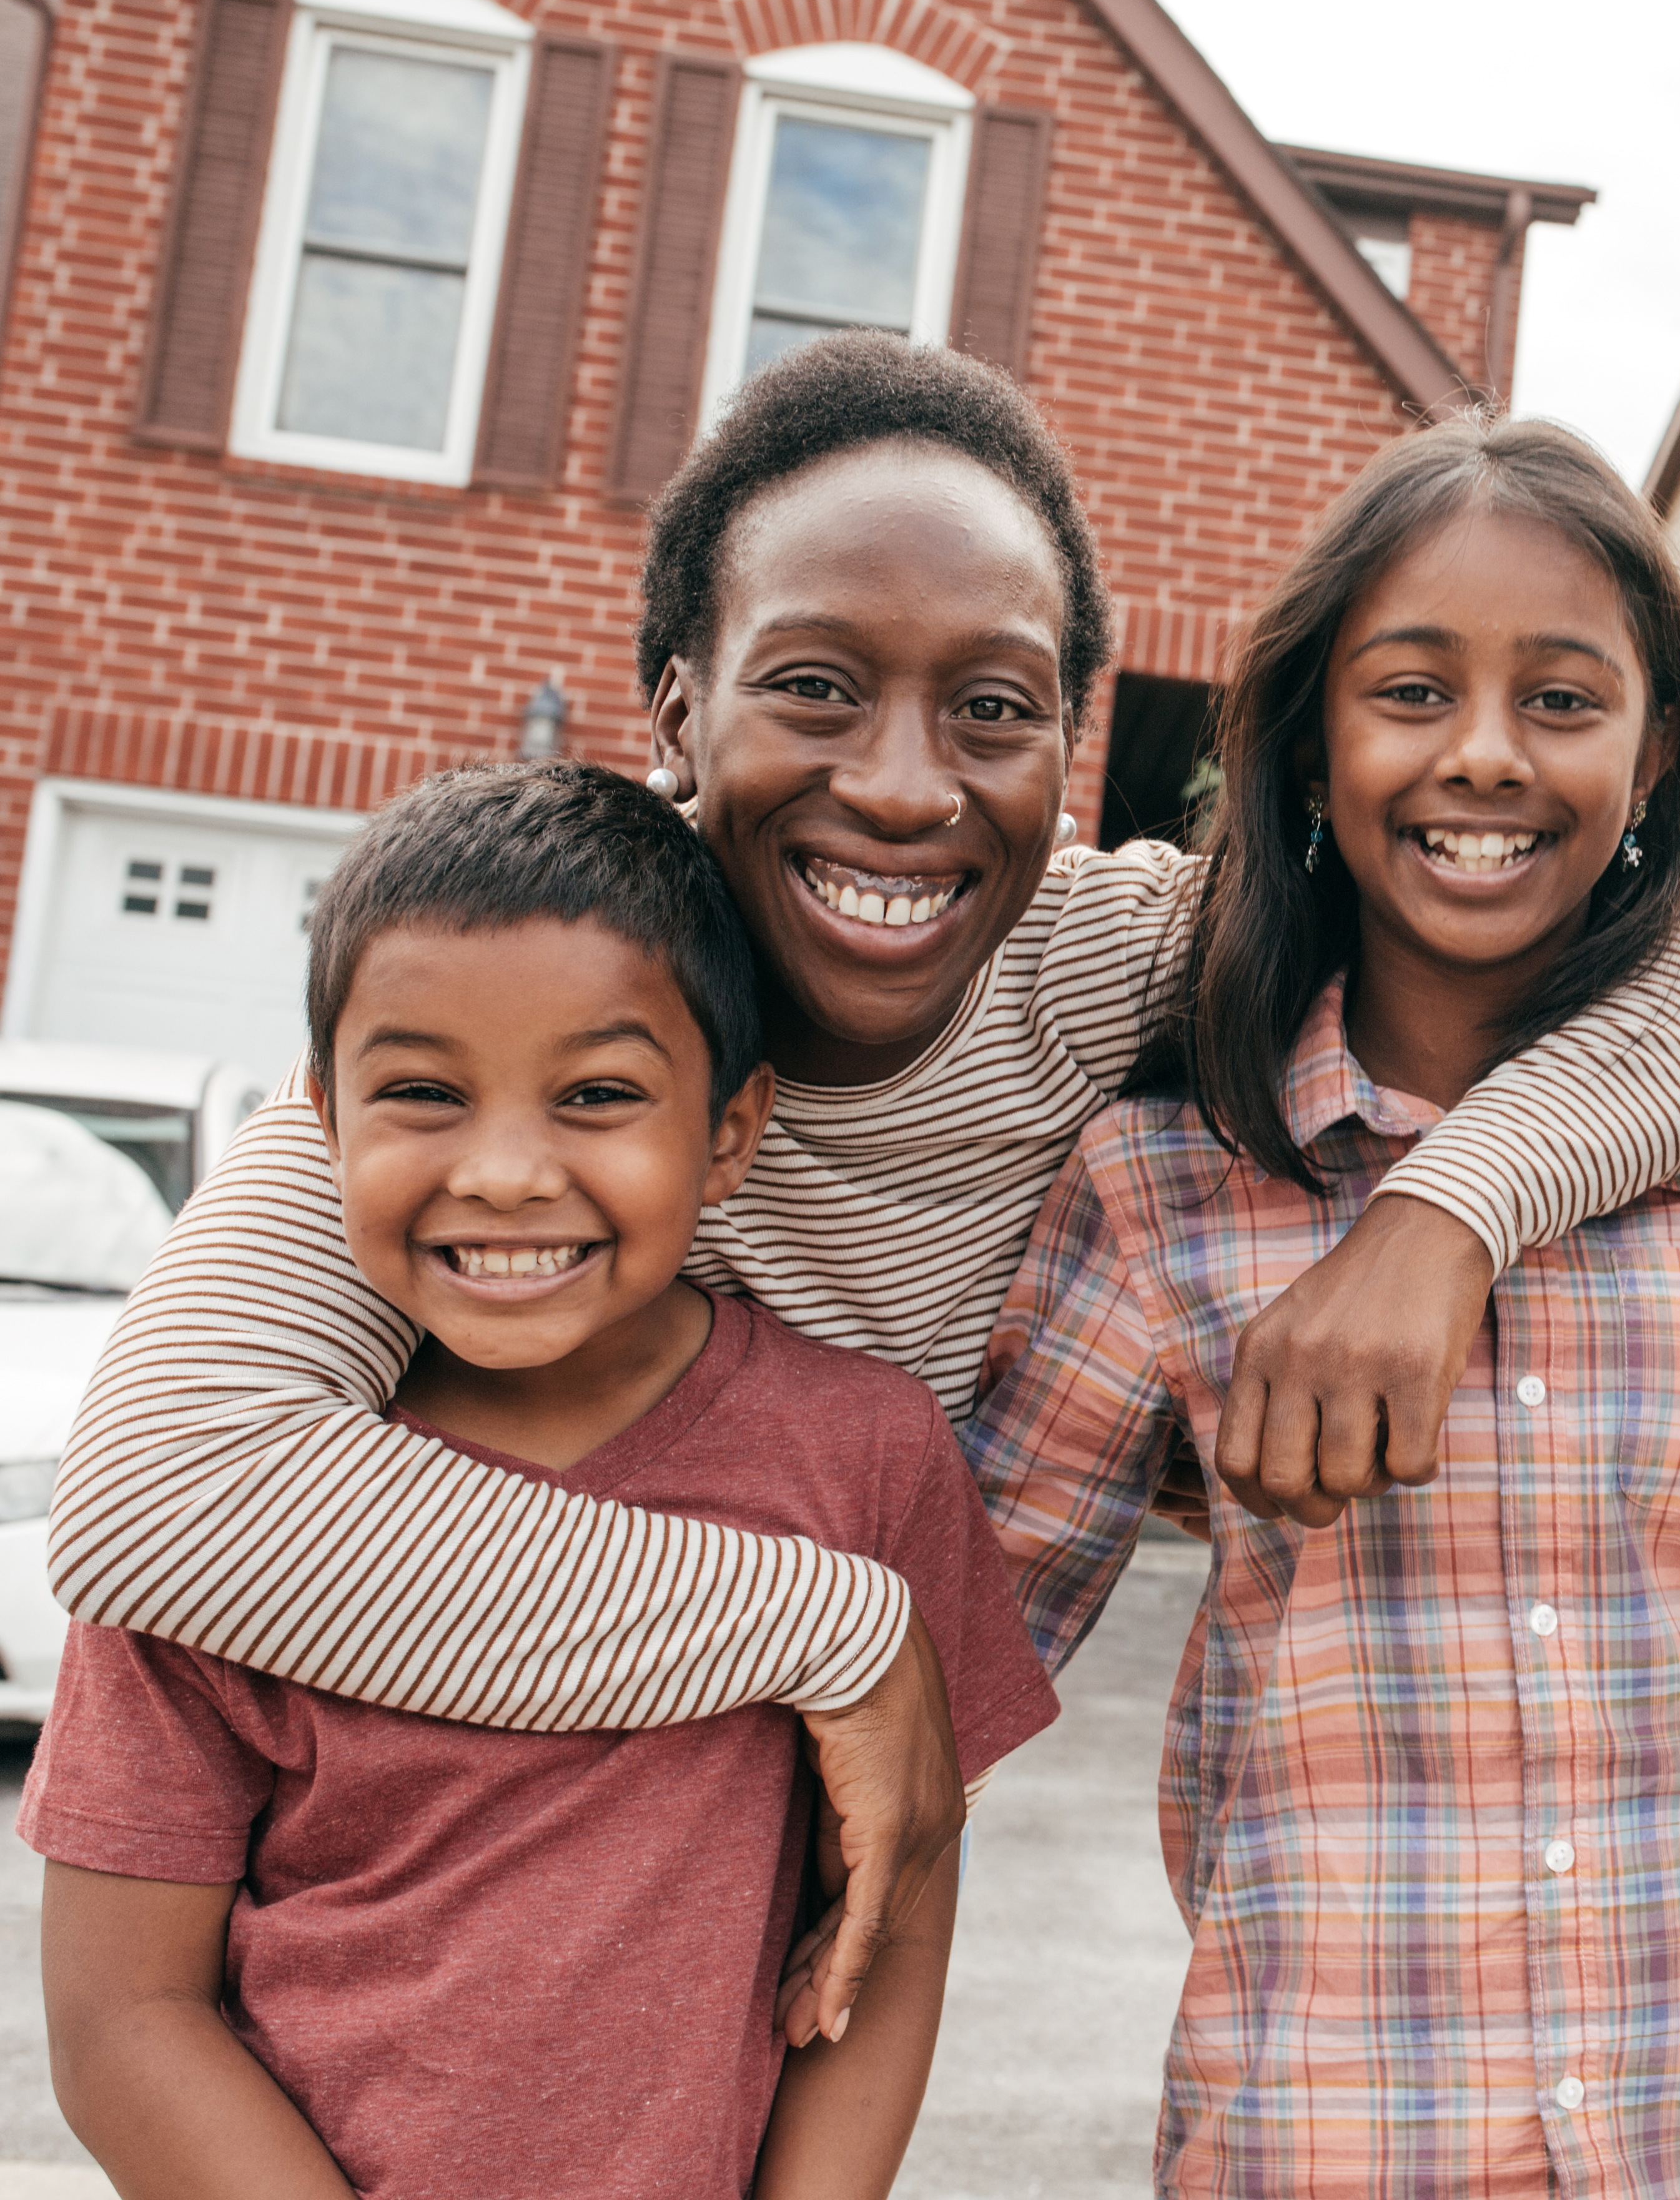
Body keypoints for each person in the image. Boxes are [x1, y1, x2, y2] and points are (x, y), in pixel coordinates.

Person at [50, 334, 1680, 2038]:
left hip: (747, 1969)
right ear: (677, 714)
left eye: (991, 708)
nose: (906, 789)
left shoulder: (1092, 974)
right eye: (815, 687)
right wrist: (836, 1629)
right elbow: (155, 1494)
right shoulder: (511, 1051)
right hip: (396, 1913)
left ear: (1070, 752)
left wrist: (1441, 1218)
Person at [965, 418, 1680, 2198]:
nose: (1488, 758)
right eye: (1414, 692)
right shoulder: (1160, 1187)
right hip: (1335, 2129)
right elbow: (956, 1659)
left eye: (1567, 702)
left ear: (1655, 757)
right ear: (1309, 746)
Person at [27, 760, 1058, 2199]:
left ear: (728, 1134)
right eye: (424, 1093)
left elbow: (882, 1928)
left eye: (595, 1094)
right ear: (323, 1124)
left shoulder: (864, 1455)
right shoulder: (232, 1525)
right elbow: (122, 2018)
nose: (505, 1171)